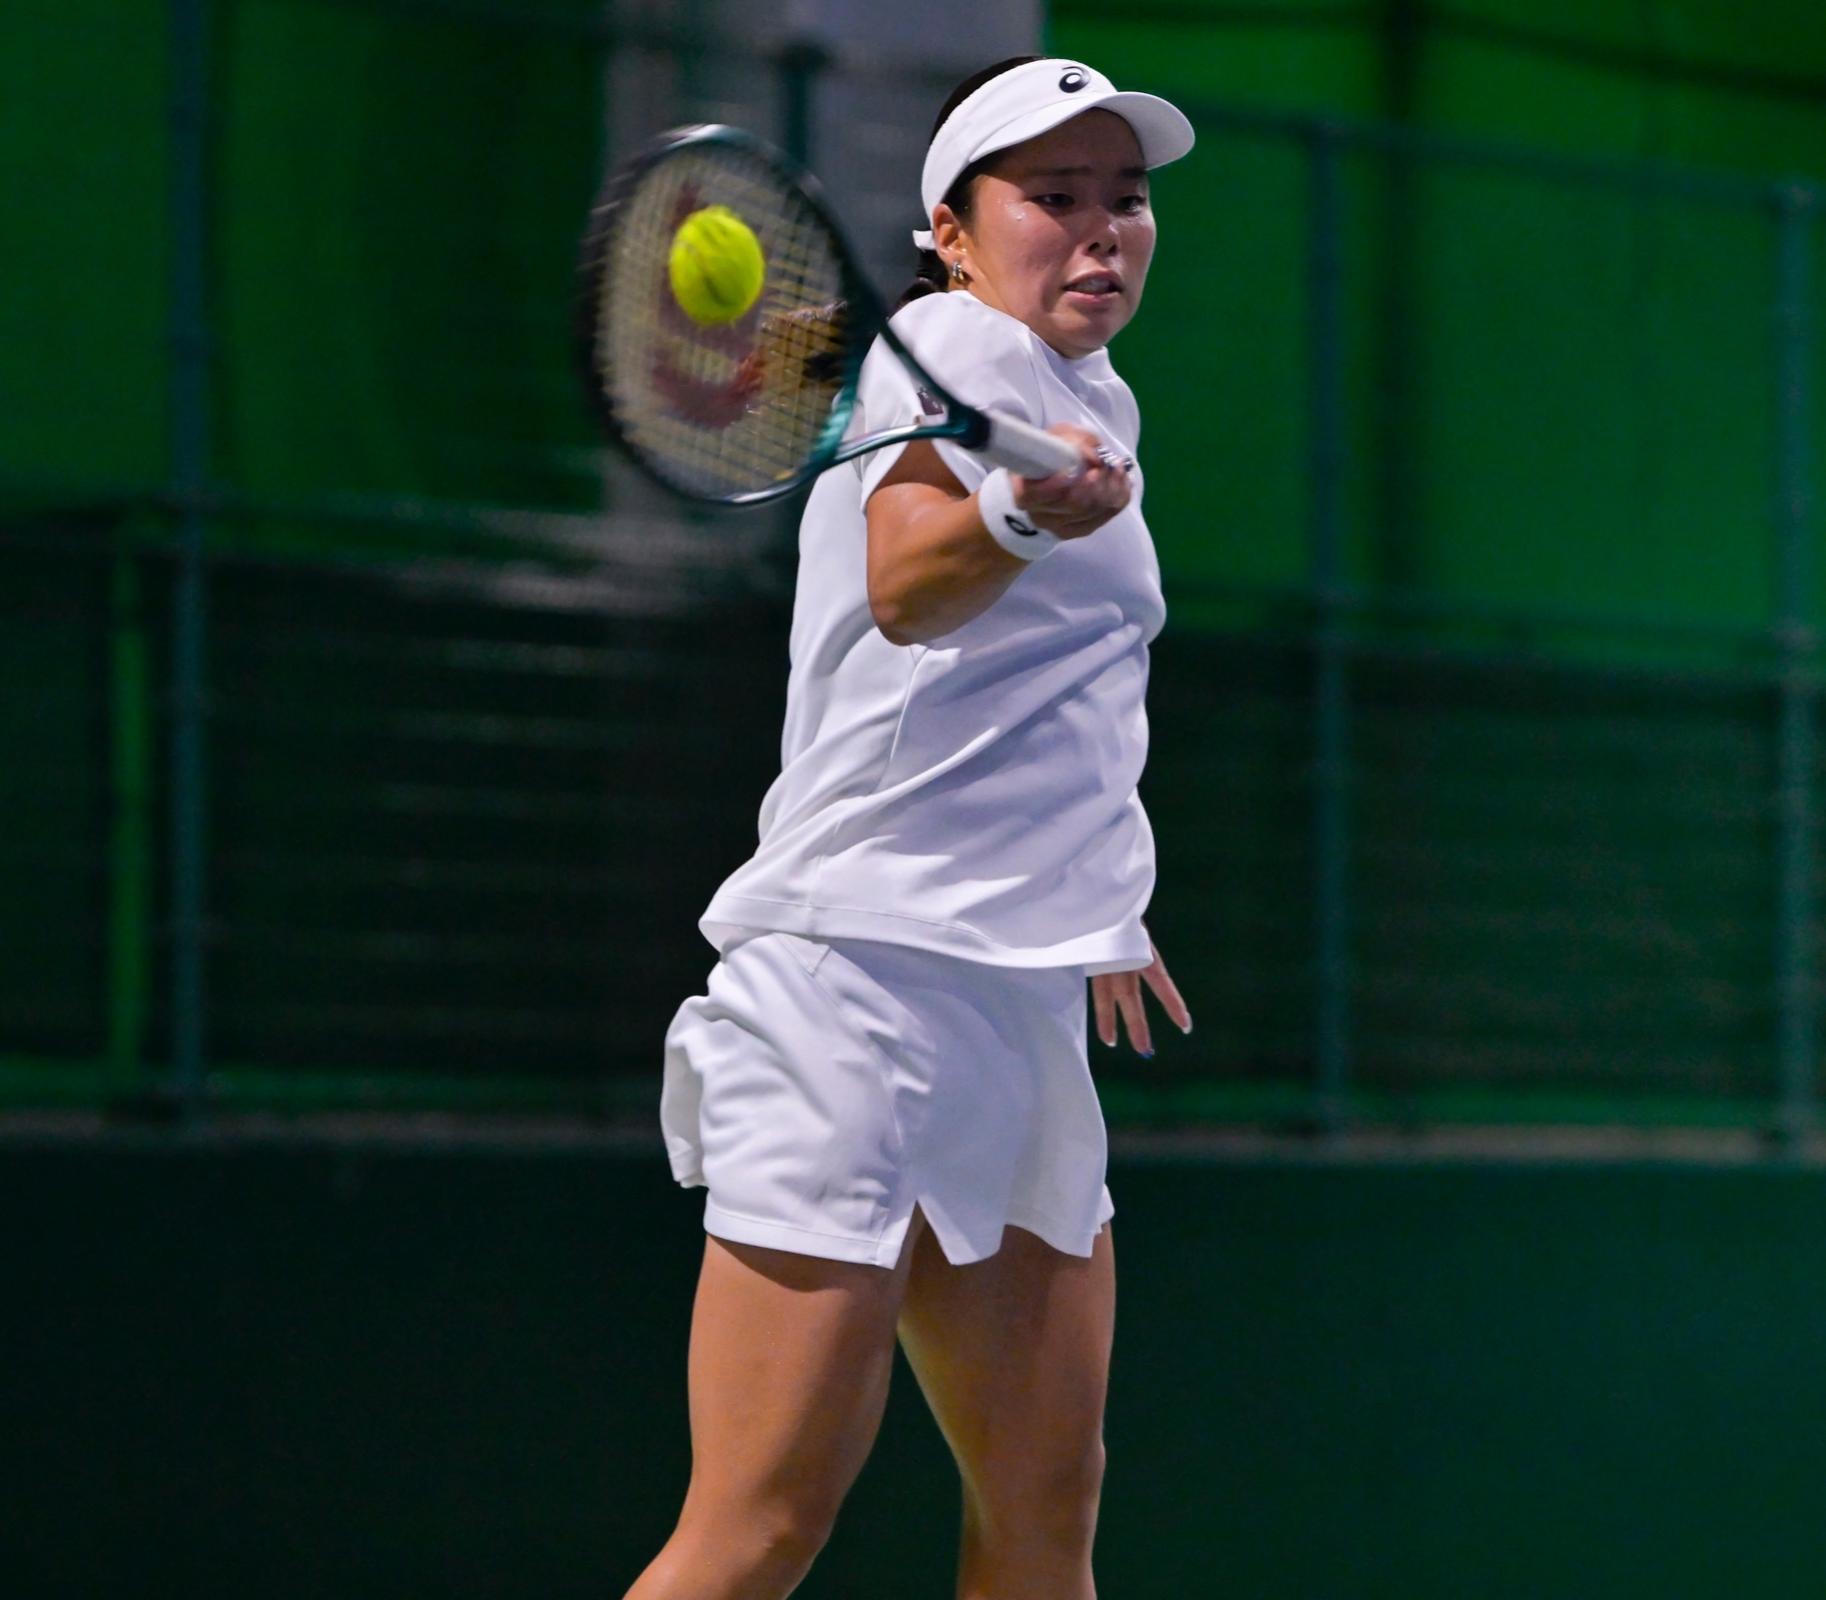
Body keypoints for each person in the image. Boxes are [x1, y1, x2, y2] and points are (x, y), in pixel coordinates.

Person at [626, 55, 1196, 1600]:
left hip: (1009, 1001)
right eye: (1053, 197)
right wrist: (1016, 513)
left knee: (1044, 1512)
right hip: (856, 993)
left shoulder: (1091, 395)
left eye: (1125, 198)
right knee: (758, 1527)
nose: (1102, 229)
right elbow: (905, 585)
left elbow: (1050, 692)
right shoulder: (946, 342)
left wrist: (1099, 899)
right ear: (951, 233)